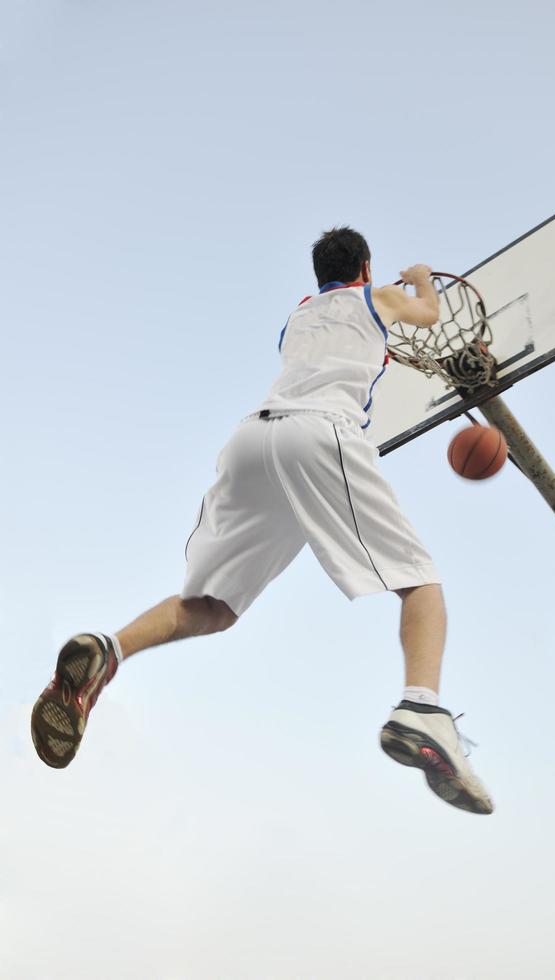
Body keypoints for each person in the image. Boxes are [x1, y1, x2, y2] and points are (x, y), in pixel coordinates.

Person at [30, 227, 494, 815]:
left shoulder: (300, 316)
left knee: (212, 605)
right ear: (366, 268)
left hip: (254, 439)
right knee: (419, 580)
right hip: (320, 433)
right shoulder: (377, 298)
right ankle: (423, 706)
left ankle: (109, 648)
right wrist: (422, 277)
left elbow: (347, 345)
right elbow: (427, 315)